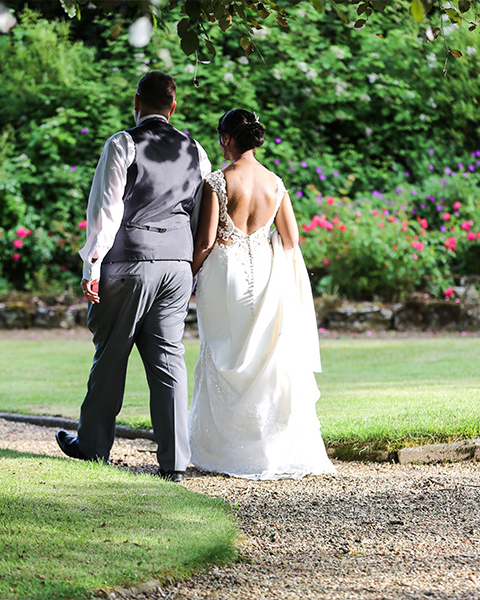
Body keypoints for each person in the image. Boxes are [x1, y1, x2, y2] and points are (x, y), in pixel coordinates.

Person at [56, 71, 211, 483]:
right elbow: (201, 215)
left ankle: (92, 446)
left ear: (136, 102)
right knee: (168, 360)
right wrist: (189, 266)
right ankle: (175, 463)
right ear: (173, 107)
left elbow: (105, 212)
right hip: (177, 265)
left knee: (111, 355)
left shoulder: (122, 143)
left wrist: (92, 265)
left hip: (130, 261)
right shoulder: (196, 151)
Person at [188, 109, 336, 480]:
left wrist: (186, 275)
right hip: (266, 274)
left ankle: (224, 451)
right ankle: (270, 447)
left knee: (222, 352)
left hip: (224, 274)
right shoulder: (275, 183)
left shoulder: (217, 182)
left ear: (227, 138)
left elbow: (205, 240)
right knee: (267, 357)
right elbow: (291, 239)